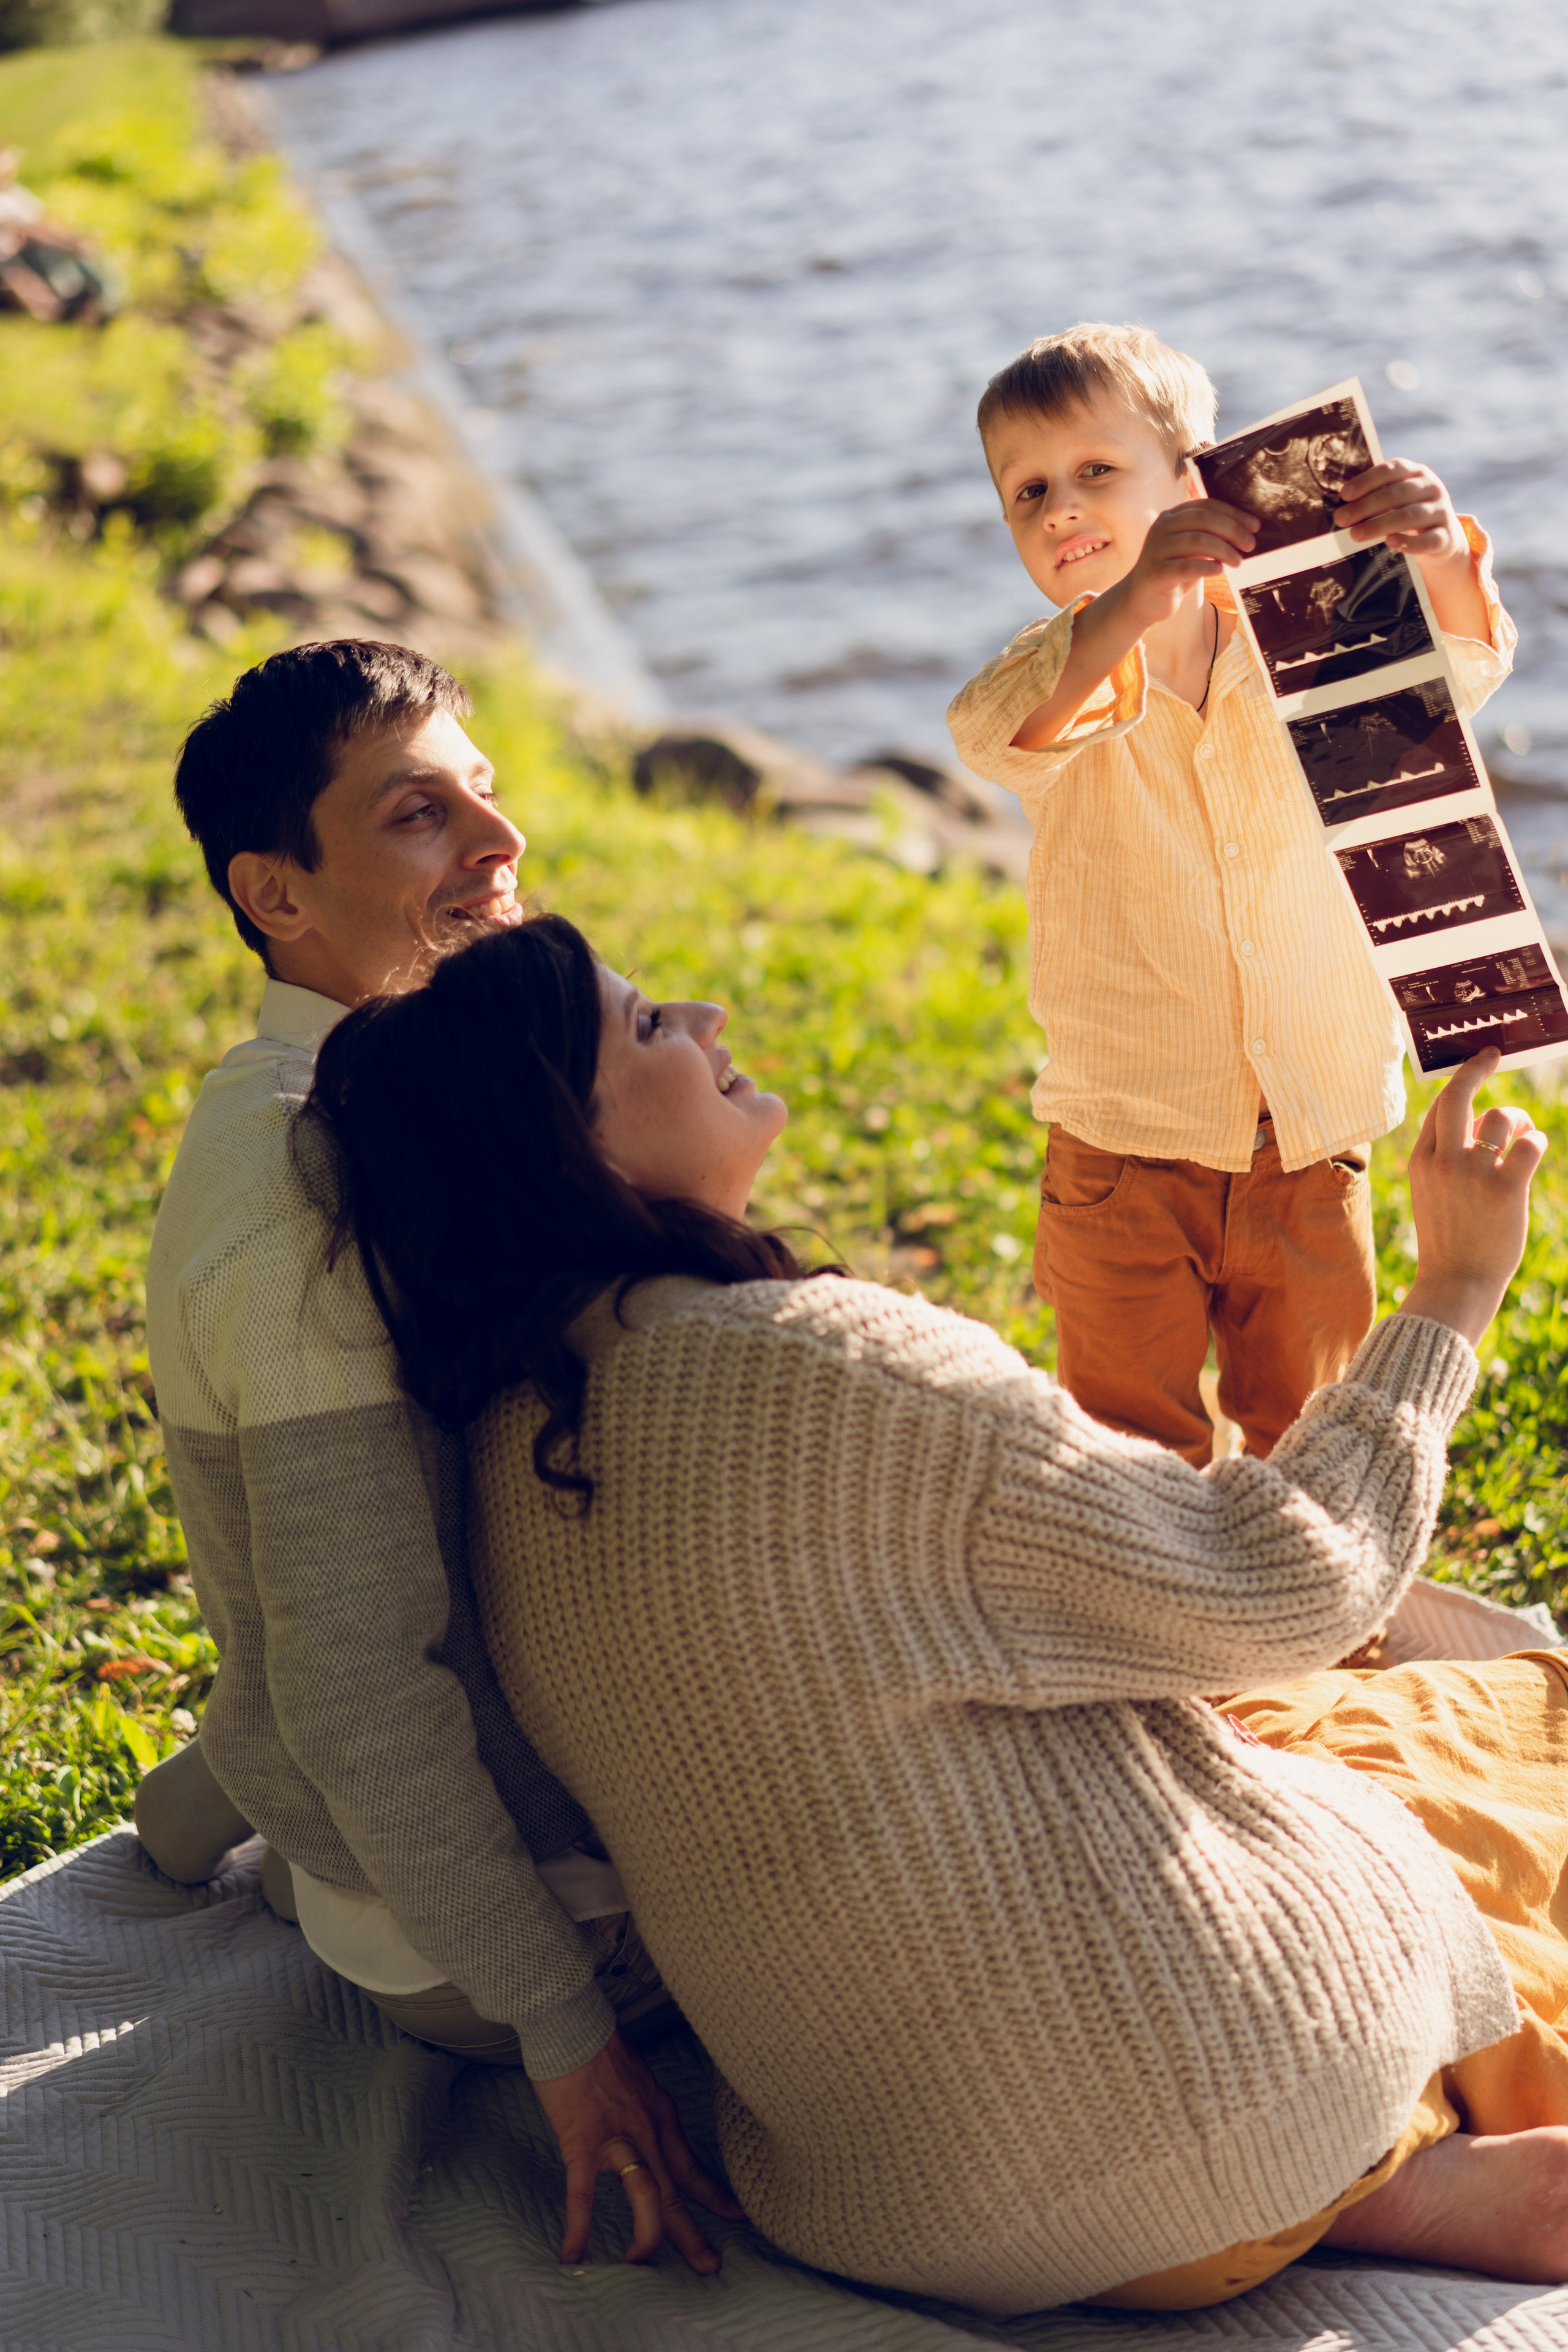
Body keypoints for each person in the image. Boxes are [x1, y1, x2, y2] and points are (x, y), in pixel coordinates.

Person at [303, 911, 1568, 2315]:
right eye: (649, 1025)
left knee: (1275, 1750)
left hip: (919, 2212)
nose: (709, 1017)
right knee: (1451, 1742)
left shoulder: (495, 1467)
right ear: (570, 1147)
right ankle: (1391, 2138)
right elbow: (1292, 1579)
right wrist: (1449, 1291)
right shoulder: (822, 1372)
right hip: (1243, 2075)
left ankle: (1393, 2186)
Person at [137, 641, 740, 2277]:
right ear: (279, 894)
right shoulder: (306, 1198)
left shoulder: (319, 1096)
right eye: (421, 815)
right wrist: (564, 2038)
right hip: (531, 1944)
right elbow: (350, 1673)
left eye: (486, 793)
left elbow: (297, 1614)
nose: (499, 848)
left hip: (380, 1864)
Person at [946, 322, 1515, 1467]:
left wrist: (1437, 547)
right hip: (1123, 1139)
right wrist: (1139, 596)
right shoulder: (1059, 669)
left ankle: (1310, 1602)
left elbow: (1465, 662)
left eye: (1096, 473)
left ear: (1196, 480)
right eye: (1028, 492)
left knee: (1310, 1428)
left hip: (1307, 1134)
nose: (1060, 509)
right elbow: (1001, 735)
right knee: (1126, 1441)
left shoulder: (1322, 634)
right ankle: (1148, 1608)